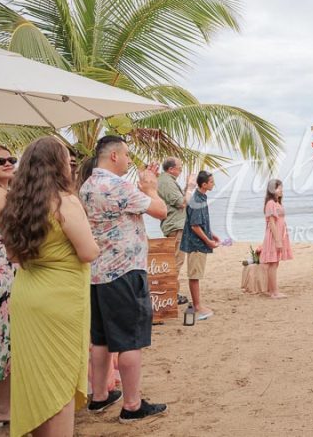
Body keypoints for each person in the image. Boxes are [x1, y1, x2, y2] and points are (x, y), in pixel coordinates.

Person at [0, 137, 100, 436]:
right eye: (67, 161)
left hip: (28, 294)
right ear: (58, 166)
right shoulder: (63, 201)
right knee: (58, 381)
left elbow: (14, 255)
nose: (71, 166)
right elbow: (88, 252)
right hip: (60, 299)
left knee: (36, 380)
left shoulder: (16, 205)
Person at [79, 135, 168, 422]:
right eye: (127, 155)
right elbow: (161, 211)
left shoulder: (87, 186)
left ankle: (101, 397)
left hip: (96, 274)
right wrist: (151, 187)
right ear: (114, 155)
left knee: (101, 339)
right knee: (130, 340)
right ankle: (132, 405)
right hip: (124, 271)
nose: (129, 161)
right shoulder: (118, 186)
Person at [0, 146, 15, 426]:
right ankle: (0, 409)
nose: (8, 163)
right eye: (0, 161)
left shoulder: (4, 191)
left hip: (6, 266)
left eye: (11, 159)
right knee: (3, 337)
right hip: (1, 269)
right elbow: (16, 226)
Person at [179, 171, 220, 320]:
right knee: (195, 275)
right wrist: (208, 241)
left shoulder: (201, 197)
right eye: (211, 181)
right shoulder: (197, 199)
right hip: (196, 244)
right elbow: (195, 226)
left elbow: (200, 223)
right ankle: (197, 307)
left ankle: (198, 305)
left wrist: (211, 234)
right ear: (204, 185)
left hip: (199, 242)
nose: (213, 183)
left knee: (196, 274)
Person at [157, 157, 195, 306]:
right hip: (175, 226)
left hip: (176, 225)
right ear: (171, 169)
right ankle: (170, 294)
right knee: (175, 262)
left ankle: (173, 292)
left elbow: (181, 200)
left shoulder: (168, 181)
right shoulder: (166, 181)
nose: (180, 169)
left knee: (175, 261)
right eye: (179, 167)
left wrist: (186, 186)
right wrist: (191, 187)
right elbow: (182, 203)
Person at [261, 179, 292, 298]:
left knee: (275, 263)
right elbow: (272, 223)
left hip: (279, 235)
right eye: (279, 188)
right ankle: (274, 292)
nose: (282, 190)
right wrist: (278, 240)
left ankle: (271, 290)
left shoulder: (277, 203)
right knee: (273, 264)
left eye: (282, 187)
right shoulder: (270, 203)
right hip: (274, 236)